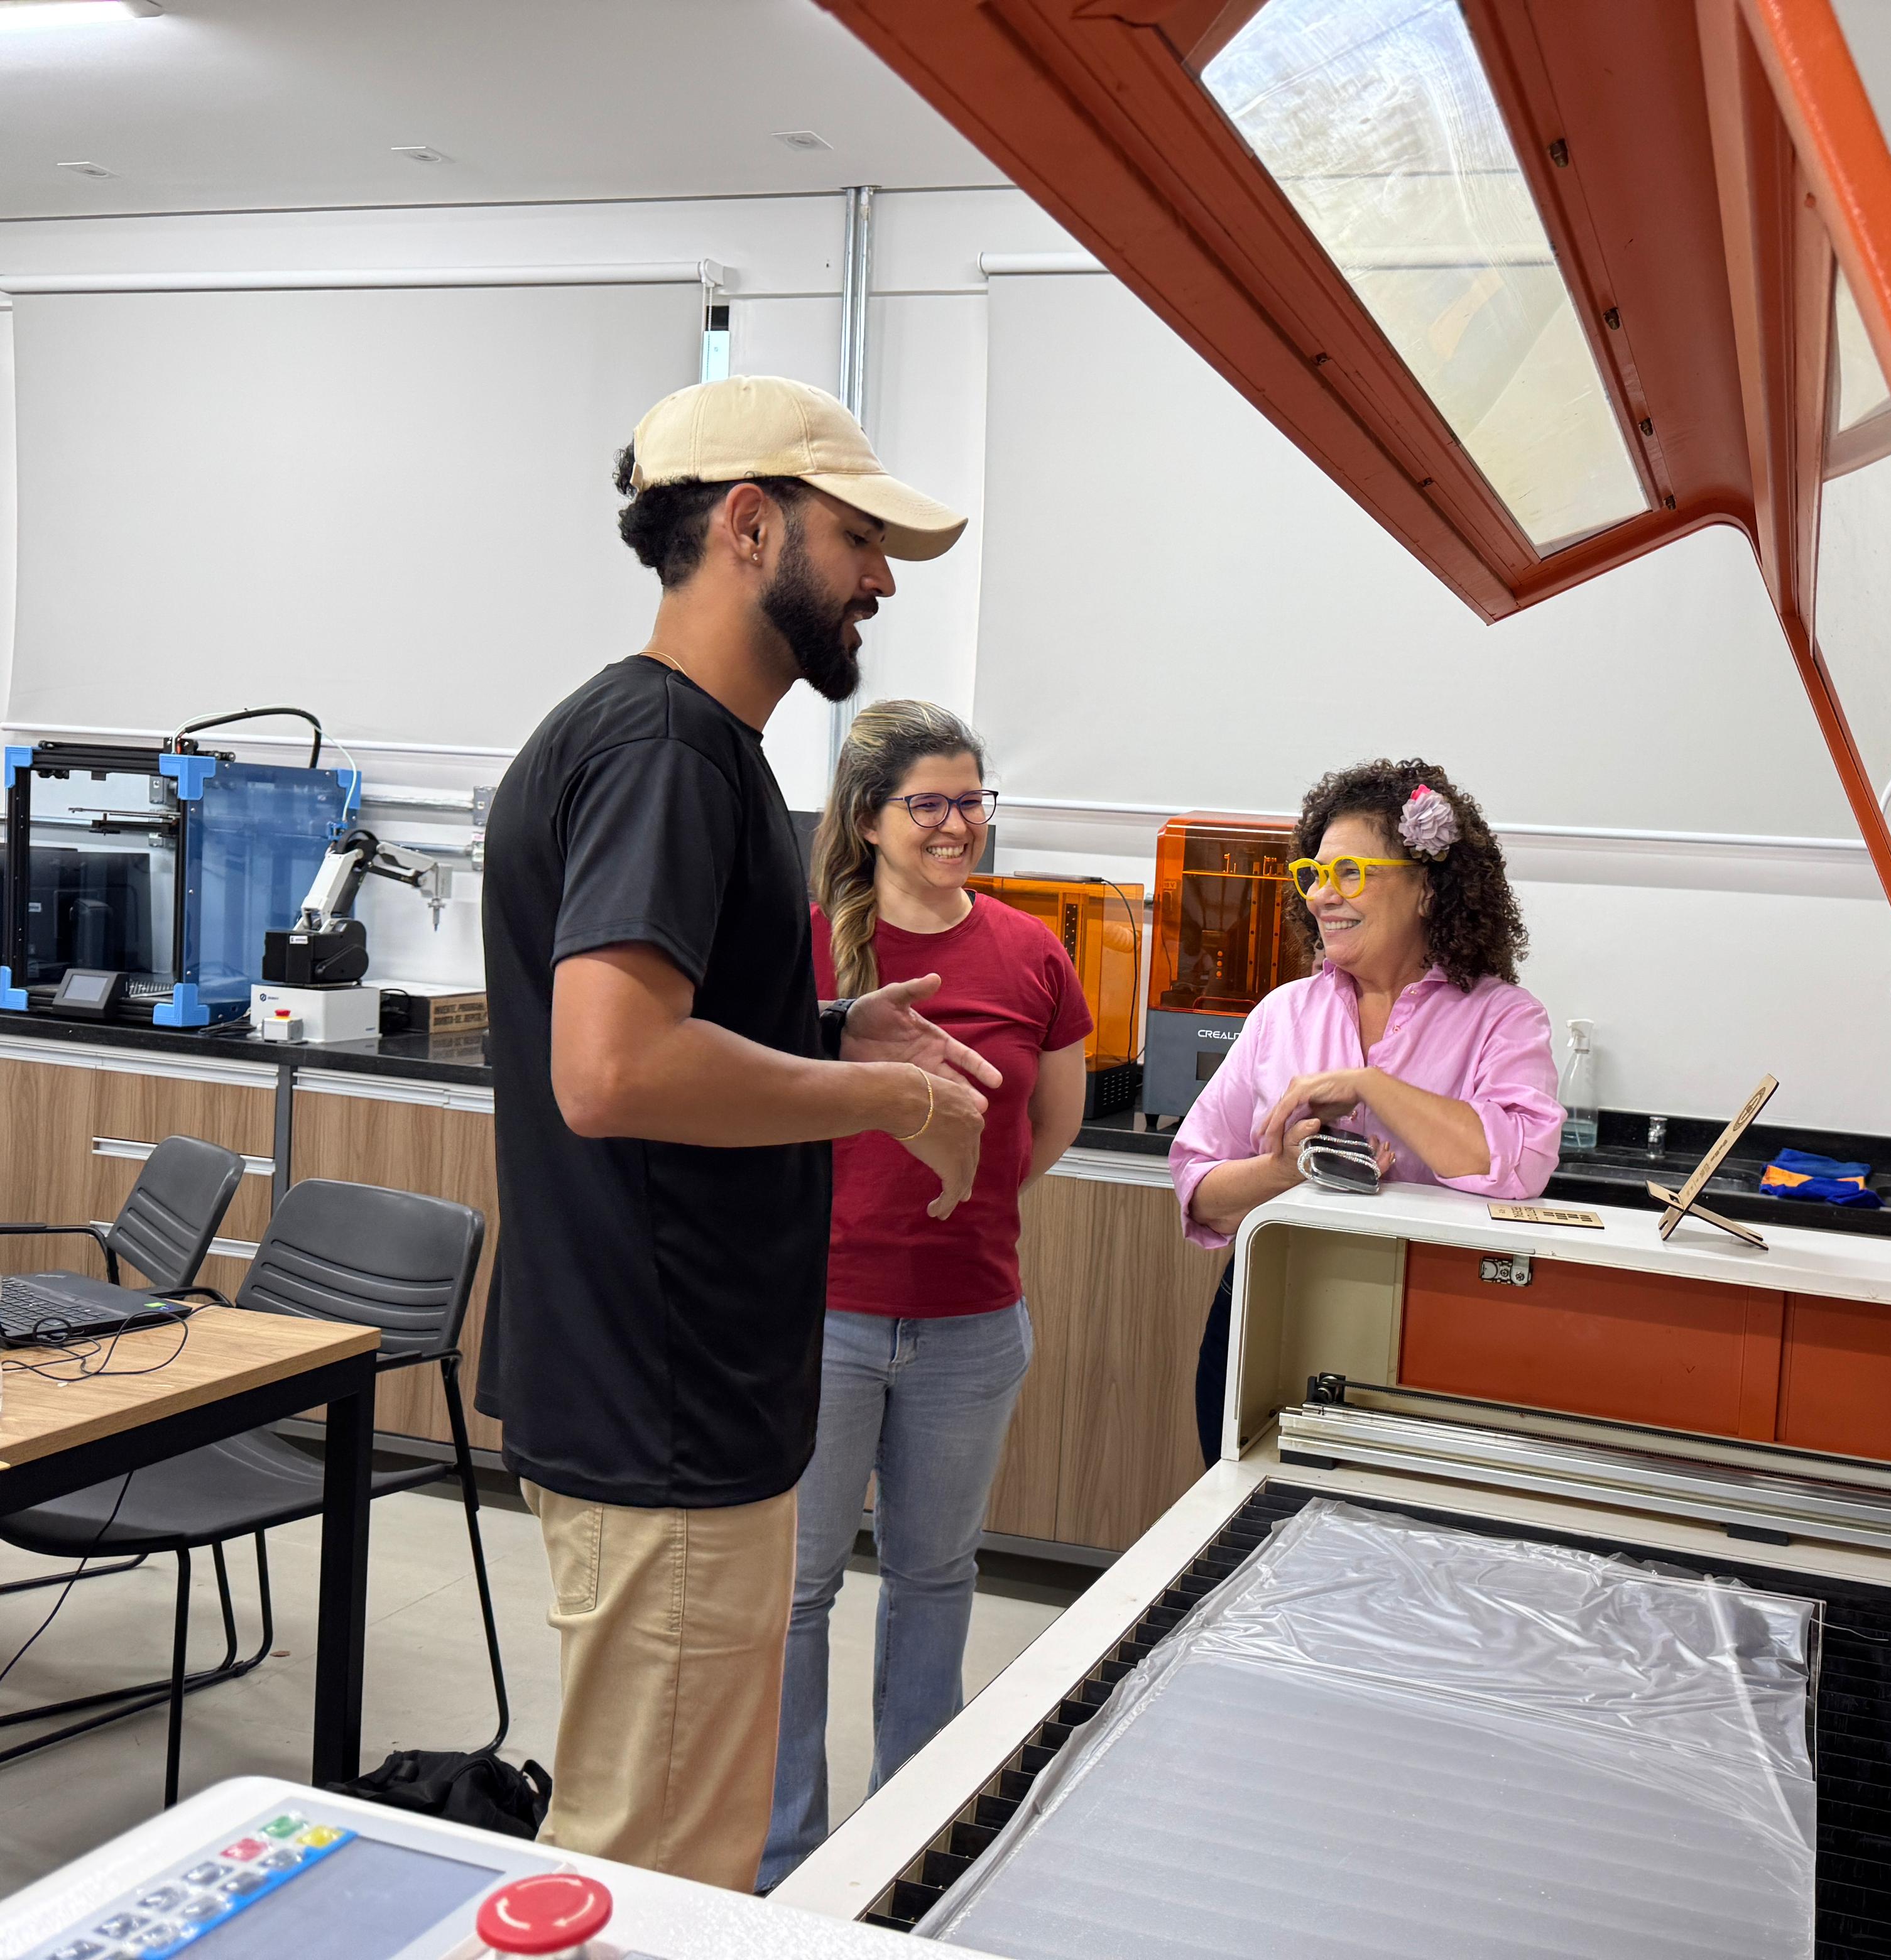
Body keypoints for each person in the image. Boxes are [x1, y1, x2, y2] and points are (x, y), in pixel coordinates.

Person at [479, 376, 998, 1892]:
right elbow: (615, 1071)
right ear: (749, 523)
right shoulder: (666, 751)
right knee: (647, 1876)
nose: (882, 580)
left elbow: (656, 1036)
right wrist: (891, 1097)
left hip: (664, 1394)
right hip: (668, 1406)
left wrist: (836, 1032)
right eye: (858, 537)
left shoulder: (664, 742)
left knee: (653, 1843)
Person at [760, 702, 1091, 1886]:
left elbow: (1048, 1128)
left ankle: (908, 1838)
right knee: (795, 1595)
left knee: (935, 1578)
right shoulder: (801, 951)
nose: (961, 825)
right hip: (824, 1318)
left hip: (970, 1322)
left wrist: (964, 1194)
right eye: (932, 803)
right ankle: (787, 1858)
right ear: (868, 817)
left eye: (973, 799)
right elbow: (757, 1113)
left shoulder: (1031, 952)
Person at [1170, 759, 1564, 1458]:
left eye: (1350, 872)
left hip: (1432, 1333)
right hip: (1269, 1315)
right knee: (1245, 1526)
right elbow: (1199, 1192)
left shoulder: (1503, 1018)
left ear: (1424, 889)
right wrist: (1287, 1169)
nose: (1324, 894)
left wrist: (1372, 1086)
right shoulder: (1279, 1015)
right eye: (1314, 875)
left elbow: (1520, 1164)